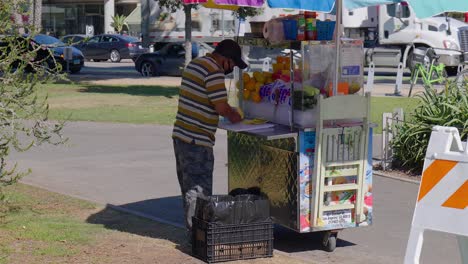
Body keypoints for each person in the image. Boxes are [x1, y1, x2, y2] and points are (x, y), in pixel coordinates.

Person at [172, 39, 247, 238]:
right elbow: (221, 106)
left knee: (188, 188)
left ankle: (193, 233)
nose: (230, 70)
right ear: (225, 59)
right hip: (197, 140)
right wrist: (236, 117)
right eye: (232, 65)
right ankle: (198, 237)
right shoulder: (213, 72)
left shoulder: (195, 64)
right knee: (200, 192)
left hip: (181, 135)